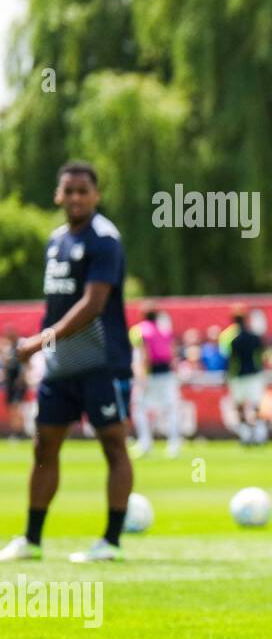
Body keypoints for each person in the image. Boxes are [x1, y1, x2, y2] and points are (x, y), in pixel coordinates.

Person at [2, 162, 134, 563]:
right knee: (44, 446)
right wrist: (41, 350)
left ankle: (110, 542)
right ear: (58, 195)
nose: (76, 198)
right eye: (69, 191)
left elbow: (92, 305)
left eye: (83, 191)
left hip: (100, 360)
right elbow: (55, 305)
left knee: (112, 445)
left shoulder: (104, 239)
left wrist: (37, 343)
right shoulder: (56, 241)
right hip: (60, 366)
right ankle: (32, 539)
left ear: (95, 195)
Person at [129, 300, 182, 458]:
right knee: (170, 409)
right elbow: (172, 354)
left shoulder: (139, 330)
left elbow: (143, 354)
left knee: (139, 408)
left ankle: (145, 442)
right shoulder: (164, 330)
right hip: (166, 373)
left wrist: (142, 375)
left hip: (150, 374)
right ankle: (174, 443)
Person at [221, 306, 267, 444]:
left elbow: (231, 360)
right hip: (254, 374)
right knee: (254, 405)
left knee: (240, 406)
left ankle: (247, 434)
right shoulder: (254, 337)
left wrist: (228, 377)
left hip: (239, 376)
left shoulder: (234, 340)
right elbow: (261, 356)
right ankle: (257, 433)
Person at [2, 325, 28, 436]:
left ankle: (21, 431)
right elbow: (6, 367)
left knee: (16, 407)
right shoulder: (9, 350)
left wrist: (21, 379)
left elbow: (24, 365)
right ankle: (16, 431)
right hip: (10, 383)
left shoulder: (20, 347)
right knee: (12, 408)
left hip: (18, 383)